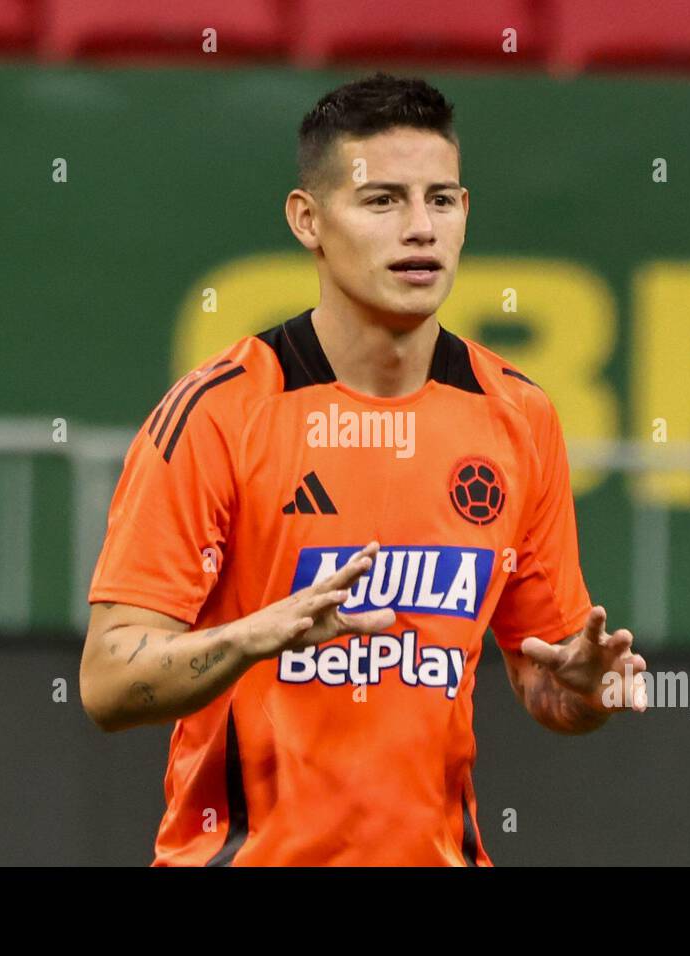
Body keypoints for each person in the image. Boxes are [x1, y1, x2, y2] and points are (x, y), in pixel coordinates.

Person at [80, 72, 648, 866]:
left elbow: (543, 682)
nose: (420, 229)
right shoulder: (218, 412)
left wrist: (585, 692)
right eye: (382, 201)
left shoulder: (518, 415)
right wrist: (255, 637)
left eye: (440, 200)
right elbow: (107, 683)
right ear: (307, 220)